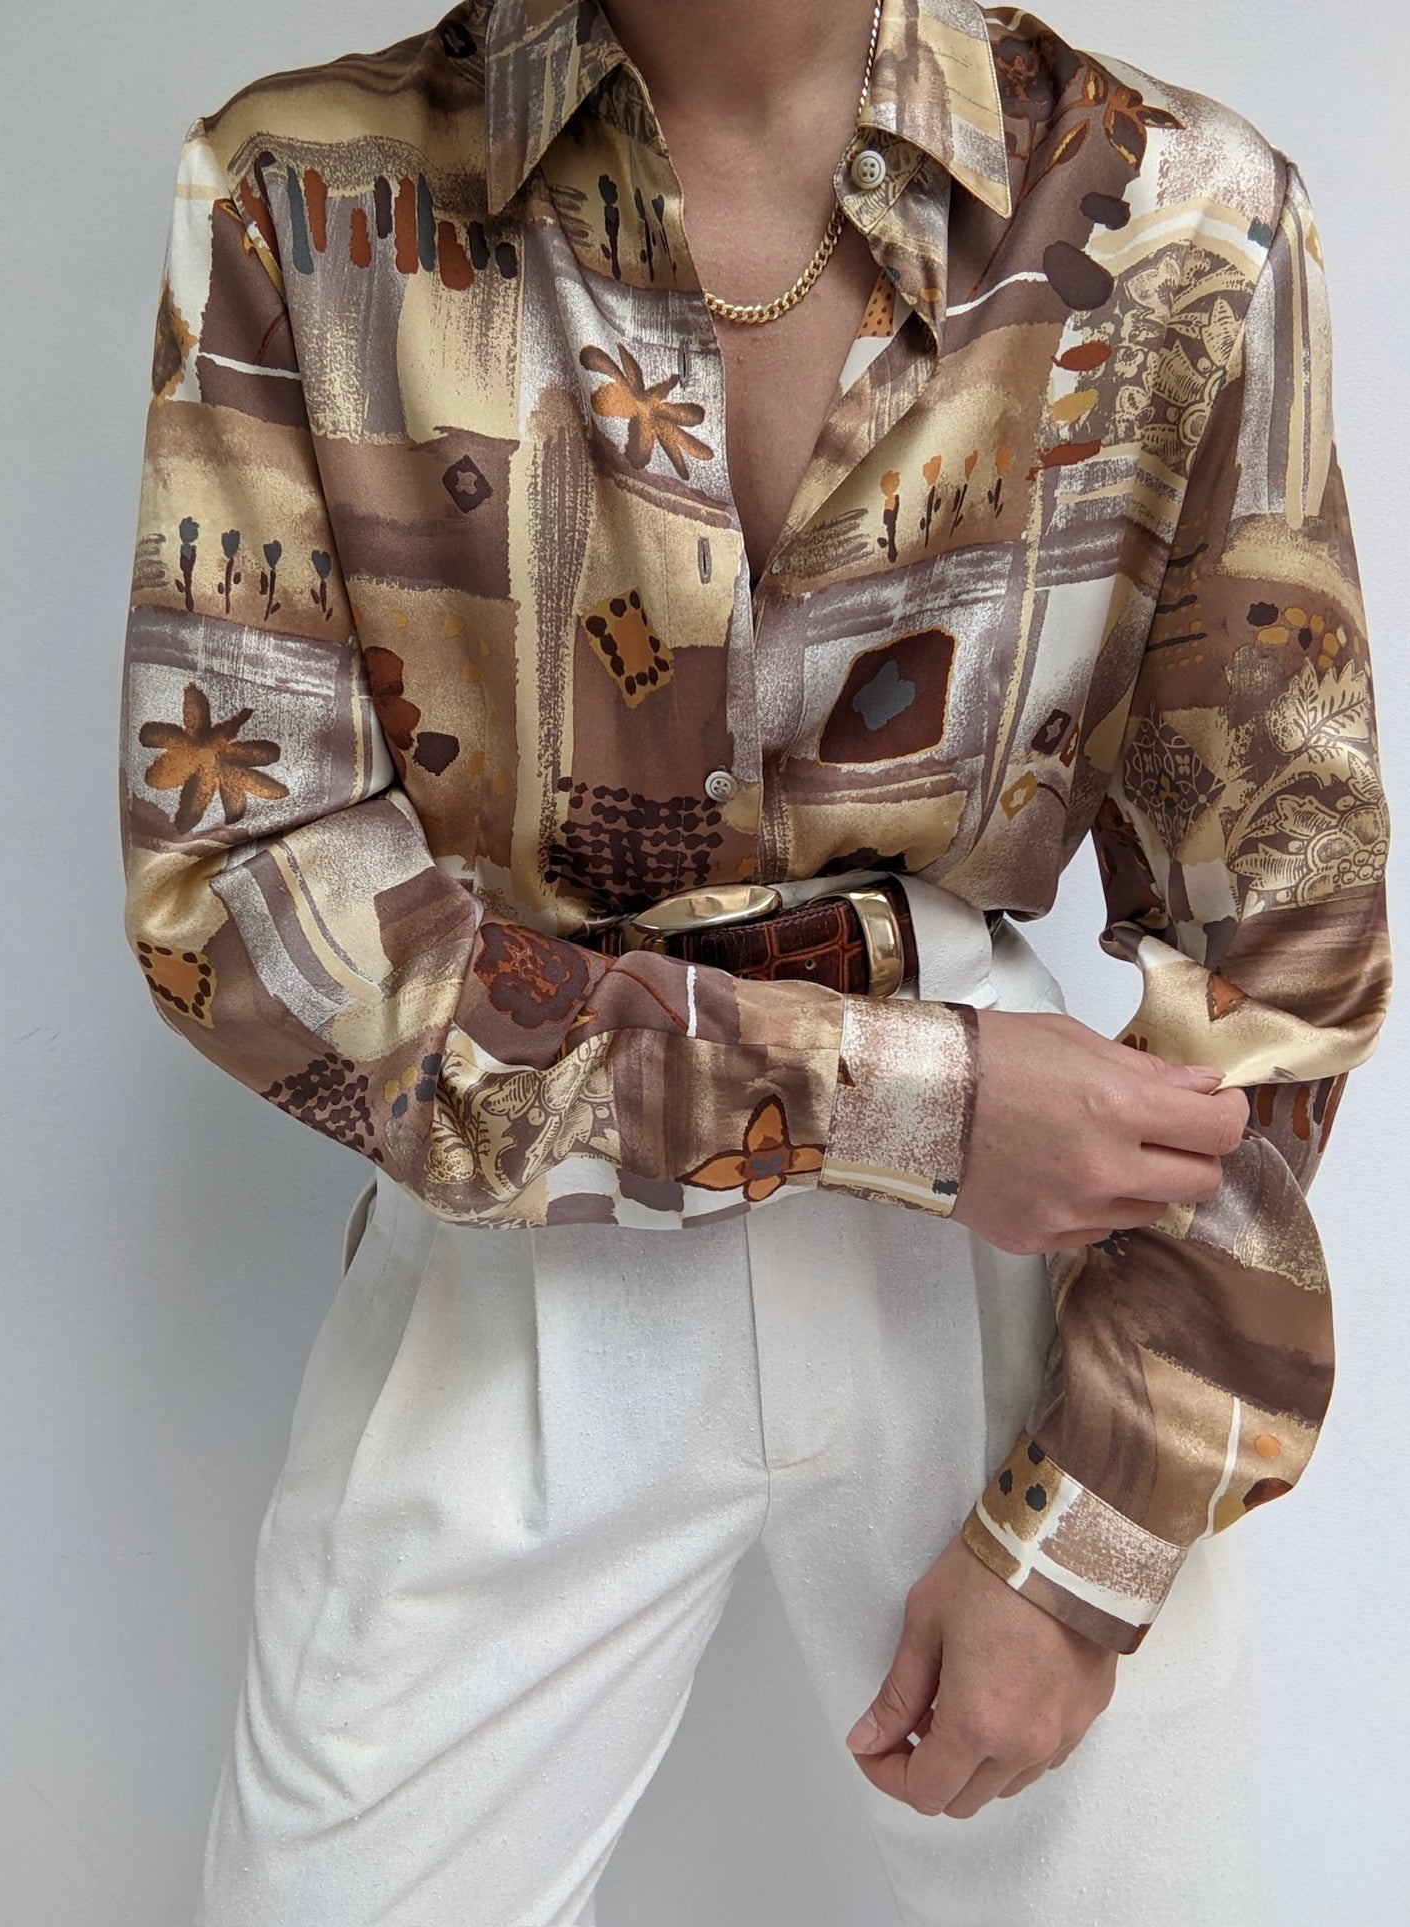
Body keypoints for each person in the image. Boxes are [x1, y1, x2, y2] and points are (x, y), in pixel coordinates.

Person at [118, 0, 1389, 1920]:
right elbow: (235, 890)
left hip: (1012, 1283)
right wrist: (907, 1107)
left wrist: (1094, 1533)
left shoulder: (1183, 214)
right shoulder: (304, 195)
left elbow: (1284, 916)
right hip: (531, 1240)